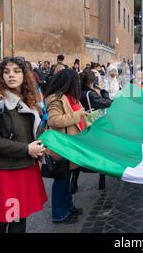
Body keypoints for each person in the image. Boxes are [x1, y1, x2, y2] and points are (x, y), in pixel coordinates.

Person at [0, 57, 47, 233]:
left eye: (16, 71)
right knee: (4, 221)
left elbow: (32, 130)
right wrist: (26, 149)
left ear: (25, 74)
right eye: (6, 72)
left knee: (18, 218)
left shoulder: (29, 99)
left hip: (24, 166)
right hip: (5, 171)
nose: (11, 75)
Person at [45, 69, 88, 224]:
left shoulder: (72, 98)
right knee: (61, 181)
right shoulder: (56, 99)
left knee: (67, 179)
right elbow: (54, 121)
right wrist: (79, 115)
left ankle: (68, 206)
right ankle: (58, 214)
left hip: (72, 146)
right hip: (62, 147)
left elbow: (81, 117)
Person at [69, 69, 113, 194]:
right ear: (93, 80)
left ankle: (74, 181)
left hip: (80, 125)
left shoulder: (77, 93)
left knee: (79, 154)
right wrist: (104, 93)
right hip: (93, 125)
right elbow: (107, 103)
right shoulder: (91, 94)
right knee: (100, 152)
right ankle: (102, 180)